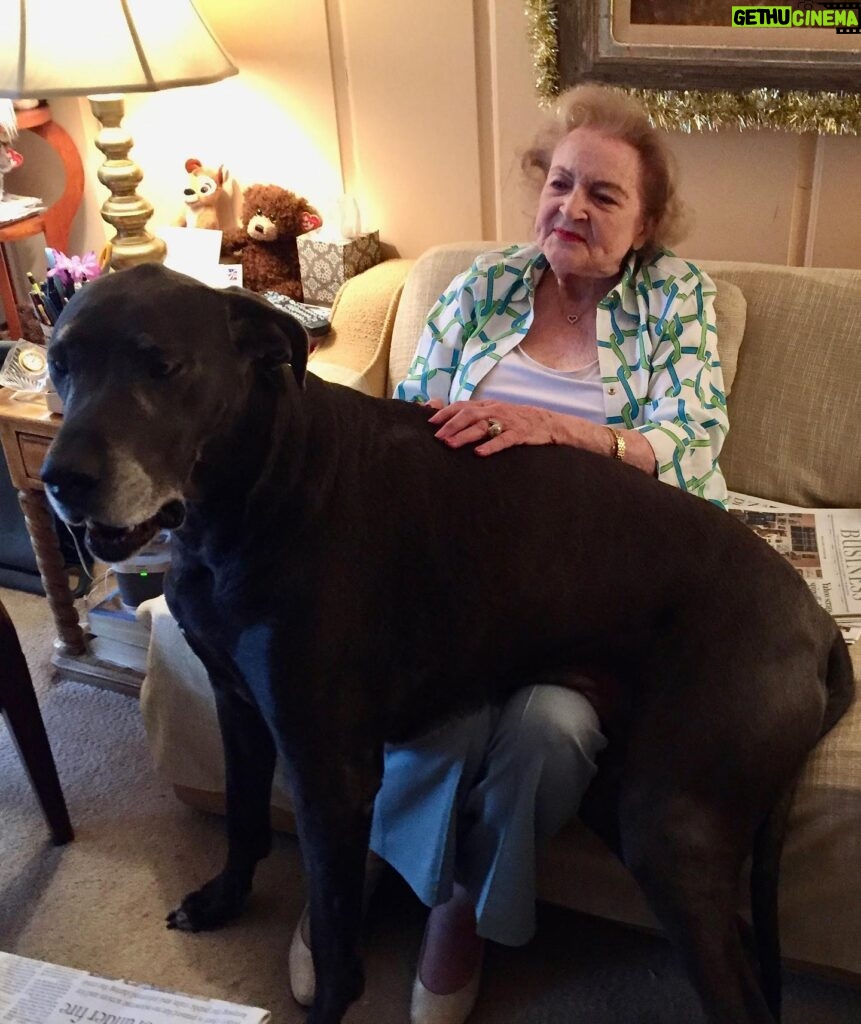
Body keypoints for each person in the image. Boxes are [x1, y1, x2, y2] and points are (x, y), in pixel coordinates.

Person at [289, 83, 729, 1024]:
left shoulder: (678, 301)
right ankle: (350, 880)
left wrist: (554, 431)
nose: (570, 208)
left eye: (603, 196)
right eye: (559, 183)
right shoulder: (481, 285)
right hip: (454, 584)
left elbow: (692, 445)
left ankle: (457, 917)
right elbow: (400, 423)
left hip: (590, 604)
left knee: (548, 733)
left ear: (646, 222)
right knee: (435, 717)